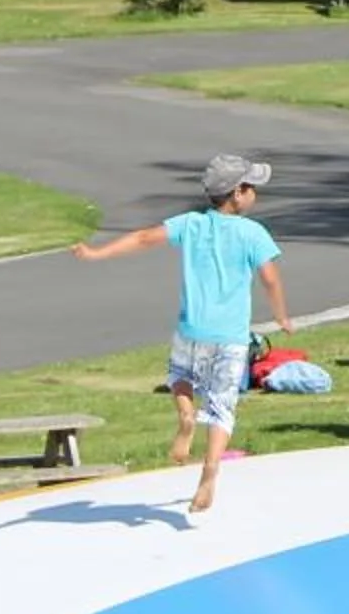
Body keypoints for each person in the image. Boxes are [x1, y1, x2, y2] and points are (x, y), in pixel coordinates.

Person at [73, 153, 292, 515]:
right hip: (231, 337)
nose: (256, 193)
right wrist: (281, 315)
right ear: (238, 193)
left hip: (192, 328)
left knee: (179, 376)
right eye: (252, 187)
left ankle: (187, 415)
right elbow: (269, 278)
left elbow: (145, 238)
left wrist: (97, 254)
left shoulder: (191, 224)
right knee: (222, 407)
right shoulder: (253, 233)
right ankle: (209, 471)